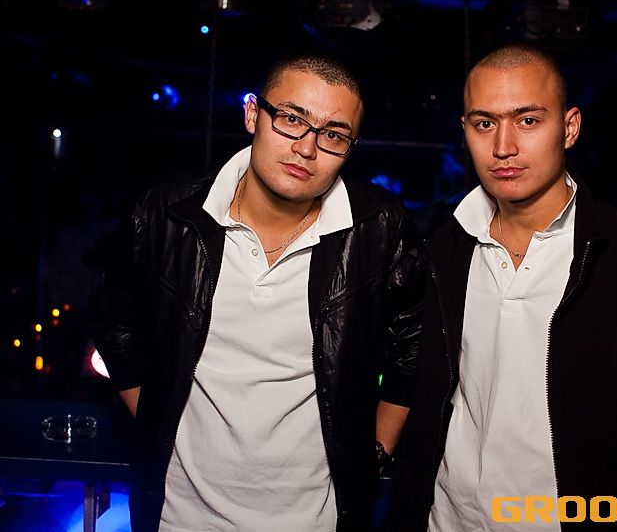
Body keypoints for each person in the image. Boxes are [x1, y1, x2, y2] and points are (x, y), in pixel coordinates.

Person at [92, 53, 424, 532]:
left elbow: (411, 352)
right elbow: (115, 323)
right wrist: (156, 422)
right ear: (253, 114)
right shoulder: (167, 212)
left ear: (350, 148)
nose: (306, 148)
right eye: (291, 119)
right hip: (179, 515)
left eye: (333, 135)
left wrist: (372, 454)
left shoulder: (378, 227)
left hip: (319, 519)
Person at [388, 43, 617, 531]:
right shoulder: (444, 249)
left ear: (570, 128)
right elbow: (421, 391)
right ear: (465, 129)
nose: (503, 146)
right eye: (484, 123)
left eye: (528, 120)